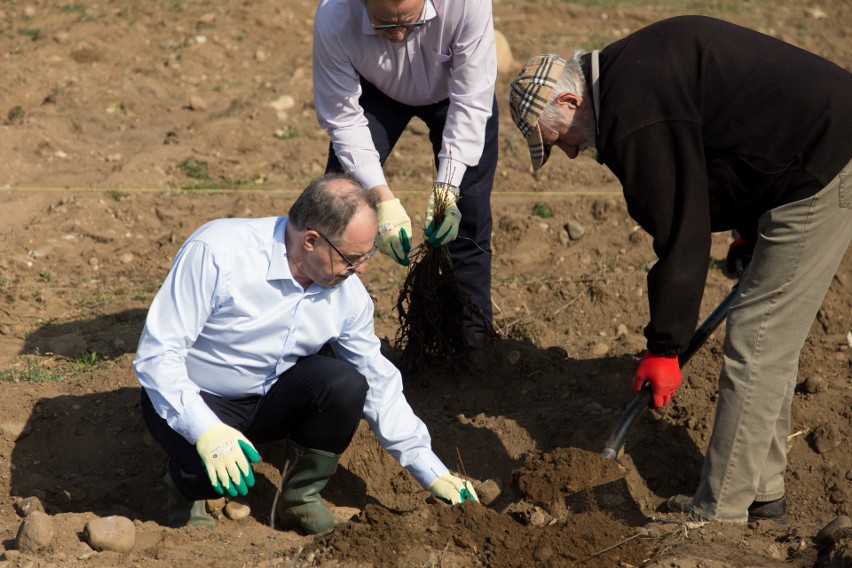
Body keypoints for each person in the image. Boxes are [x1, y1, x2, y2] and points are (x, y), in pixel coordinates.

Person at [508, 15, 852, 524]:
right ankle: (763, 492)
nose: (572, 152)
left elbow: (682, 234)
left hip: (823, 159)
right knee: (767, 339)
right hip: (805, 154)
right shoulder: (633, 75)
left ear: (569, 101)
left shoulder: (633, 110)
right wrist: (748, 225)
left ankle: (719, 513)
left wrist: (664, 348)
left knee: (758, 337)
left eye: (558, 140)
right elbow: (723, 148)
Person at [133, 173, 478, 533]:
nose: (361, 268)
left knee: (346, 384)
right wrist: (205, 430)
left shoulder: (348, 294)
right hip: (199, 396)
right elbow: (158, 356)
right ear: (311, 240)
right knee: (207, 465)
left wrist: (432, 471)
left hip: (271, 399)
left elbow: (378, 382)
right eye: (352, 257)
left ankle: (298, 499)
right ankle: (186, 489)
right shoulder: (220, 253)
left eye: (368, 254)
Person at [312, 0, 499, 343]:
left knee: (468, 216)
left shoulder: (466, 4)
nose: (399, 35)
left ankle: (474, 341)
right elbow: (342, 118)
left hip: (454, 93)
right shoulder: (334, 16)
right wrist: (381, 197)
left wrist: (447, 189)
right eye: (383, 26)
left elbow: (472, 102)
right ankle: (324, 338)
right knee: (337, 210)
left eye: (413, 24)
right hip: (376, 93)